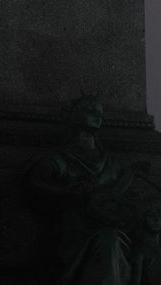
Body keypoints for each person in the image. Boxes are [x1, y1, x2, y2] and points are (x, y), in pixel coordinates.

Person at [25, 96, 146, 285]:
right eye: (91, 110)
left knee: (111, 240)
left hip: (109, 227)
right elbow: (36, 181)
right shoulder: (61, 158)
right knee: (108, 242)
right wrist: (67, 190)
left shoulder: (112, 163)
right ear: (74, 115)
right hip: (74, 228)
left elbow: (131, 197)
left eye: (100, 112)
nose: (98, 115)